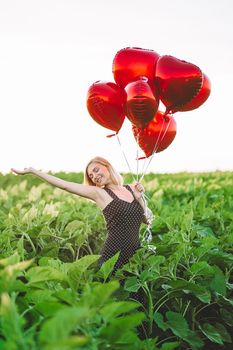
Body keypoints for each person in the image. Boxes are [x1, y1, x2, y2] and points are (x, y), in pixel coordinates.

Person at [11, 156, 153, 338]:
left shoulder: (130, 190)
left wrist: (140, 198)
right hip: (113, 257)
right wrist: (33, 170)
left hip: (135, 255)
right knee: (112, 308)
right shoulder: (100, 194)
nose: (94, 176)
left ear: (107, 166)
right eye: (90, 175)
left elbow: (147, 218)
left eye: (96, 170)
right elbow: (65, 185)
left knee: (135, 307)